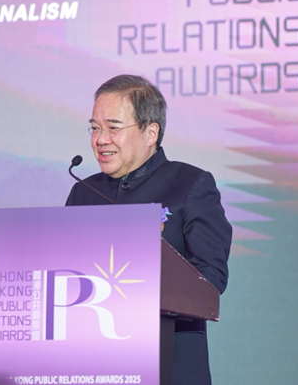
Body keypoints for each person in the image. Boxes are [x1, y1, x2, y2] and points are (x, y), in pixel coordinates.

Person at [66, 74, 232, 385]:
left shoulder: (190, 185)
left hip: (169, 364)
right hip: (94, 365)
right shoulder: (83, 193)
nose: (100, 139)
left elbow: (210, 278)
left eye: (114, 128)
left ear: (150, 132)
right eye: (95, 128)